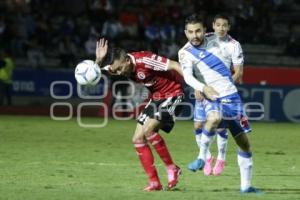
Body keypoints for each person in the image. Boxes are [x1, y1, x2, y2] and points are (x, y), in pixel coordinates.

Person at [95, 38, 218, 191]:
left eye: (120, 69)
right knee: (137, 138)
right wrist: (98, 60)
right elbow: (96, 72)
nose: (118, 73)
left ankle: (172, 169)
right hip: (157, 98)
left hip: (173, 94)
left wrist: (196, 86)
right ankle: (154, 183)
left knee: (149, 131)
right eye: (116, 70)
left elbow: (176, 65)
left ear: (127, 60)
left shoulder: (146, 60)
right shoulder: (117, 65)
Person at [178, 14, 260, 193]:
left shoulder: (223, 42)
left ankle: (246, 187)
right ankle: (202, 157)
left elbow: (238, 71)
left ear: (205, 31)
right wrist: (202, 88)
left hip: (231, 97)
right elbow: (188, 76)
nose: (195, 35)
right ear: (186, 33)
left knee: (244, 143)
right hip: (211, 96)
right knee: (213, 119)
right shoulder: (185, 52)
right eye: (190, 32)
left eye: (198, 31)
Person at [188, 14, 244, 176]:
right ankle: (207, 157)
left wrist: (224, 87)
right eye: (218, 25)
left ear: (229, 27)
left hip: (223, 92)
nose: (221, 28)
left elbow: (238, 72)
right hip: (204, 89)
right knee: (198, 125)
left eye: (224, 25)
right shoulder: (203, 38)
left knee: (220, 125)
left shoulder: (234, 45)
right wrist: (197, 87)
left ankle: (221, 158)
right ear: (212, 25)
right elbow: (192, 62)